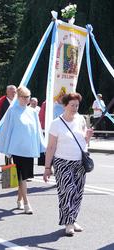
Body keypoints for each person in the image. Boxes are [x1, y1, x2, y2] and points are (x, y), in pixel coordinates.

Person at [43, 93, 94, 236]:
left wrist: (88, 136)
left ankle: (73, 218)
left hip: (80, 162)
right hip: (62, 162)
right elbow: (51, 147)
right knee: (68, 191)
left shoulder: (81, 119)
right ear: (65, 105)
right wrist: (47, 168)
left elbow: (84, 141)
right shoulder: (56, 123)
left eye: (77, 105)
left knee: (78, 193)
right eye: (72, 105)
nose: (75, 108)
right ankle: (68, 223)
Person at [0, 86, 45, 214]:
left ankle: (19, 200)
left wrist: (41, 145)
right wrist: (6, 148)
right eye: (24, 97)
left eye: (28, 97)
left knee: (23, 176)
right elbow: (7, 130)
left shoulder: (33, 112)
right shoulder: (12, 111)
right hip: (16, 149)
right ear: (19, 97)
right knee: (22, 177)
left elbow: (37, 130)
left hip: (28, 149)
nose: (27, 99)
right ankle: (27, 203)